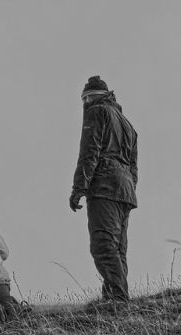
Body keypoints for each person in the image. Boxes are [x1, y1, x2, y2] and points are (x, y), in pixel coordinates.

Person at [70, 76, 138, 302]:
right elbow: (134, 167)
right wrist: (129, 186)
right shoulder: (128, 125)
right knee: (118, 249)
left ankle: (117, 298)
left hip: (104, 186)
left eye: (85, 98)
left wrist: (79, 187)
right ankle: (114, 298)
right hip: (125, 190)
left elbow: (90, 151)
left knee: (103, 244)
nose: (84, 103)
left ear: (92, 97)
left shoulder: (96, 112)